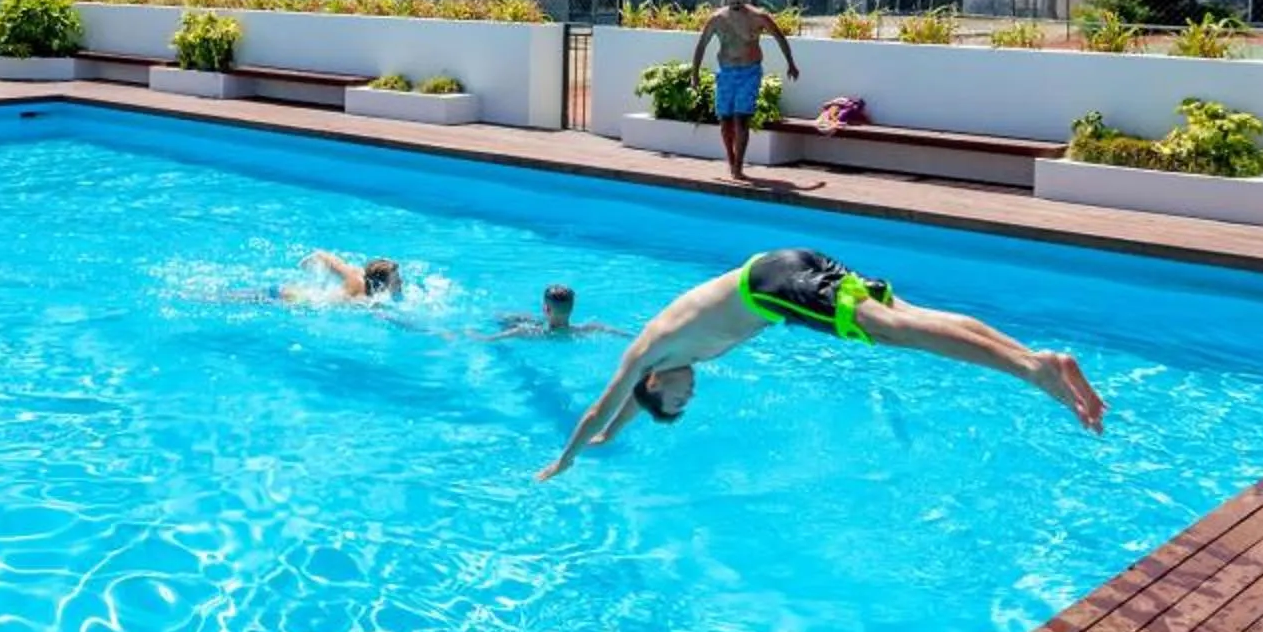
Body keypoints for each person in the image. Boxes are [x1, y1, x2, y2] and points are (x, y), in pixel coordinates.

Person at [537, 246, 1106, 480]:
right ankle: (1033, 357)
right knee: (906, 317)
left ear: (655, 383)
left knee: (895, 331)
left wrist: (564, 460)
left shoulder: (647, 354)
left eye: (679, 397)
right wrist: (611, 437)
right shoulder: (667, 361)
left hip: (772, 285)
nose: (690, 392)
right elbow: (625, 413)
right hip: (786, 269)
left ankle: (1032, 372)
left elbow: (601, 408)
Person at [688, 0, 801, 183]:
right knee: (725, 121)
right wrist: (694, 74)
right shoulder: (717, 19)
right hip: (726, 73)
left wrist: (791, 63)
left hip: (750, 73)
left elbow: (779, 38)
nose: (735, 0)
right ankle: (731, 161)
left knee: (741, 119)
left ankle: (738, 167)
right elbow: (701, 46)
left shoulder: (759, 17)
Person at [486, 284, 620, 340]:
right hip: (557, 328)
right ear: (572, 308)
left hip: (541, 328)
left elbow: (487, 339)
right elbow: (619, 333)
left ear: (545, 309)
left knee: (508, 318)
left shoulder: (526, 331)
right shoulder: (587, 329)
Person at [288, 251, 403, 302]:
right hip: (306, 299)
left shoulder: (356, 273)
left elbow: (321, 255)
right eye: (396, 280)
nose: (400, 282)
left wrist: (304, 263)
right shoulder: (363, 298)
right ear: (381, 285)